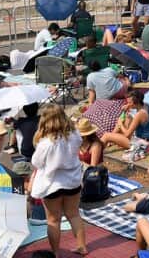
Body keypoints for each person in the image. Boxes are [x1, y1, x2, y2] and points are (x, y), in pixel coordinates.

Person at [30, 104, 88, 256]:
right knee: (74, 214)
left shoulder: (46, 143)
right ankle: (82, 246)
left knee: (53, 220)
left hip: (52, 185)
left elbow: (36, 163)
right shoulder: (75, 135)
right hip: (72, 181)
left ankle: (55, 252)